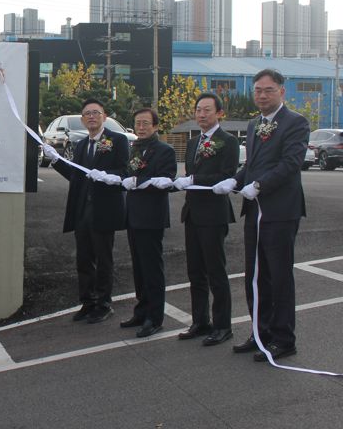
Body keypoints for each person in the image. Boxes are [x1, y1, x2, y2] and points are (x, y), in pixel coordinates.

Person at [213, 69, 309, 361]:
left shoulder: (296, 122)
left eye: (268, 90)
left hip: (280, 211)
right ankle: (260, 333)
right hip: (254, 210)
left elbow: (291, 163)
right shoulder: (254, 125)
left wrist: (259, 185)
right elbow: (253, 164)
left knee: (279, 276)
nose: (262, 95)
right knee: (255, 275)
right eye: (257, 90)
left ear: (281, 91)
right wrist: (236, 180)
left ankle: (284, 338)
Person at [42, 98, 129, 324]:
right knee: (83, 259)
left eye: (96, 113)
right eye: (87, 114)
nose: (91, 116)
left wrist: (106, 175)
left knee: (103, 258)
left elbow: (123, 170)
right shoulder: (81, 144)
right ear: (82, 119)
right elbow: (75, 175)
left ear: (104, 116)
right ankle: (87, 302)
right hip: (82, 209)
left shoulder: (117, 140)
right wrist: (56, 160)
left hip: (104, 209)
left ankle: (103, 303)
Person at [173, 93, 239, 346]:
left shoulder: (229, 141)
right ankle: (200, 321)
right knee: (195, 271)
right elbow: (190, 173)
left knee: (215, 272)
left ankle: (223, 326)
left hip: (214, 215)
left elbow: (227, 175)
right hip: (193, 213)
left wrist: (194, 181)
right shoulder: (193, 143)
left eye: (207, 110)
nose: (201, 114)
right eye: (198, 110)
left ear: (219, 113)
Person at [120, 108, 177, 338]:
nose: (141, 127)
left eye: (145, 123)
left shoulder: (164, 151)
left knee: (152, 268)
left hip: (152, 217)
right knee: (139, 267)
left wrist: (139, 181)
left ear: (155, 126)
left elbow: (167, 180)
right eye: (137, 123)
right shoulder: (134, 148)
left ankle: (155, 317)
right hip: (133, 215)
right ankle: (141, 310)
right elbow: (127, 173)